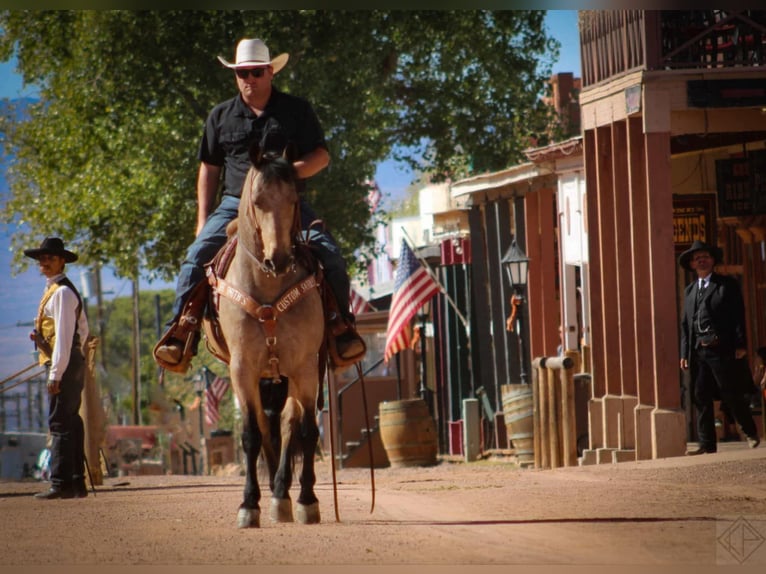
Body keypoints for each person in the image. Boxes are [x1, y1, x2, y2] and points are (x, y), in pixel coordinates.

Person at [153, 38, 364, 371]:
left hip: (286, 202)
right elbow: (208, 169)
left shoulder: (296, 110)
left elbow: (321, 156)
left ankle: (341, 328)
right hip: (234, 204)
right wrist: (202, 220)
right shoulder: (220, 116)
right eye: (241, 73)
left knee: (330, 253)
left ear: (270, 72)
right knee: (195, 257)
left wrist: (286, 175)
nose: (248, 79)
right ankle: (182, 331)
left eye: (254, 72)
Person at [678, 240, 760, 455]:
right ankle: (707, 444)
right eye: (697, 258)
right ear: (693, 264)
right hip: (698, 352)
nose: (701, 260)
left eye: (705, 257)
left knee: (730, 392)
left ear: (713, 260)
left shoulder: (726, 285)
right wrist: (684, 353)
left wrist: (741, 343)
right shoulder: (689, 291)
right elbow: (686, 325)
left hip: (721, 349)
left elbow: (737, 316)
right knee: (700, 396)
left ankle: (749, 431)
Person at [24, 237, 90, 499]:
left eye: (50, 258)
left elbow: (65, 336)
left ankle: (61, 483)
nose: (45, 263)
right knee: (70, 421)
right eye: (42, 259)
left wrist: (56, 372)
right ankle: (75, 482)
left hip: (62, 363)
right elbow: (81, 332)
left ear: (62, 261)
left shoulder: (62, 292)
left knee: (60, 422)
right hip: (67, 360)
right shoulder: (55, 290)